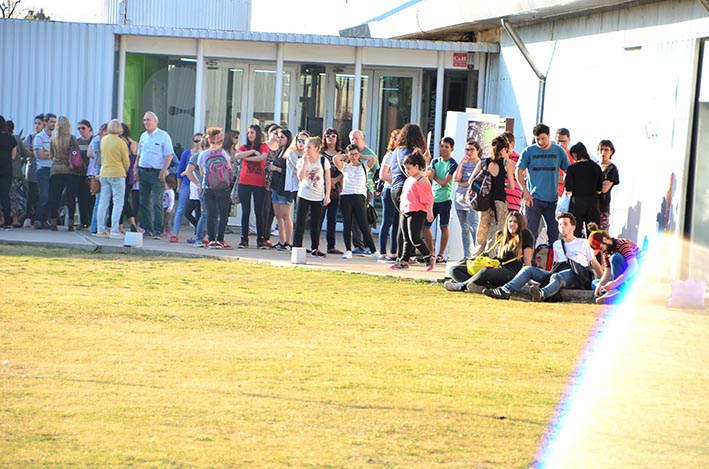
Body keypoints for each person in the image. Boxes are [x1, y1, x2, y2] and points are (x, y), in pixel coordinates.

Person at [483, 212, 602, 302]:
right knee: (528, 269)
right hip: (558, 273)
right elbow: (556, 266)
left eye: (565, 224)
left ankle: (541, 294)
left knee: (557, 276)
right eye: (560, 224)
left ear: (573, 227)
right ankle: (504, 290)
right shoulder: (556, 244)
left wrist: (604, 280)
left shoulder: (583, 243)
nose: (562, 227)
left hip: (576, 274)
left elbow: (594, 263)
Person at [445, 211, 534, 292]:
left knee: (485, 271)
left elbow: (527, 261)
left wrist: (528, 280)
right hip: (494, 265)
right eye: (510, 221)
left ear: (520, 224)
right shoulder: (502, 235)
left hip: (509, 272)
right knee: (454, 269)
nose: (512, 224)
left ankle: (462, 286)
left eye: (515, 222)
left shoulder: (525, 234)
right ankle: (479, 286)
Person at [380, 123, 428, 265]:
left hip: (394, 189)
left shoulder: (395, 151)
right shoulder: (414, 152)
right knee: (408, 227)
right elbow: (419, 173)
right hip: (407, 190)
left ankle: (403, 257)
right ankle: (405, 257)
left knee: (403, 222)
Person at [516, 123, 570, 244]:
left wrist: (568, 187)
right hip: (533, 199)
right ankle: (529, 259)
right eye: (537, 139)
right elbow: (518, 171)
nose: (540, 142)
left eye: (543, 138)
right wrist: (525, 191)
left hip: (552, 200)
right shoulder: (528, 151)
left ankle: (553, 259)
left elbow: (568, 170)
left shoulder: (558, 151)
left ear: (549, 136)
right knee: (531, 232)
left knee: (553, 232)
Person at [473, 135, 519, 255]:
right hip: (500, 201)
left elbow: (470, 181)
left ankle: (477, 254)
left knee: (482, 228)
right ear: (504, 149)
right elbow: (512, 186)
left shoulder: (484, 161)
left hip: (484, 201)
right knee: (496, 230)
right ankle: (490, 255)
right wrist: (503, 185)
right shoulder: (506, 163)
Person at [390, 148, 435, 271]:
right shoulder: (410, 179)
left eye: (409, 168)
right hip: (406, 210)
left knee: (414, 237)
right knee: (406, 238)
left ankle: (428, 256)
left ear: (416, 166)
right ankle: (403, 261)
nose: (407, 171)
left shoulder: (422, 180)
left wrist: (429, 212)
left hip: (417, 211)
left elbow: (429, 198)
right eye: (405, 168)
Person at [334, 143, 379, 259]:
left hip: (359, 196)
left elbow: (373, 159)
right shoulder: (345, 166)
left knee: (363, 224)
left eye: (355, 154)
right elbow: (335, 159)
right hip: (346, 196)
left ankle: (373, 250)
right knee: (347, 224)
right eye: (352, 154)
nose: (354, 156)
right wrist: (345, 157)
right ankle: (348, 249)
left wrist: (361, 156)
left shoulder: (364, 166)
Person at [136, 111, 175, 239]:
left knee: (157, 202)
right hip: (143, 171)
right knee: (143, 201)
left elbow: (169, 155)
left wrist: (163, 170)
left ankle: (158, 230)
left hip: (156, 172)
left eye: (148, 120)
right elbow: (139, 154)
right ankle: (148, 228)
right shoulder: (143, 136)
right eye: (144, 120)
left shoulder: (163, 136)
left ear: (155, 121)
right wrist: (135, 168)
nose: (146, 122)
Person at [194, 127, 232, 249]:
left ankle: (211, 240)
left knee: (210, 214)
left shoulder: (203, 154)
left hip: (208, 187)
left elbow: (201, 172)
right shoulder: (224, 153)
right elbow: (229, 169)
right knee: (223, 214)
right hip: (223, 187)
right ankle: (220, 239)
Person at [293, 136, 331, 257]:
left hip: (318, 195)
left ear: (316, 148)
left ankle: (315, 247)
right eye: (305, 147)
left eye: (309, 147)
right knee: (300, 221)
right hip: (304, 193)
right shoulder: (301, 160)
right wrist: (304, 162)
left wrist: (327, 195)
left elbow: (328, 180)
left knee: (316, 222)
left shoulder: (323, 161)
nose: (306, 149)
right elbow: (300, 176)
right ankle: (297, 247)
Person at [587, 222, 641, 304]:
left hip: (636, 276)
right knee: (595, 283)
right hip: (621, 280)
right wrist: (600, 285)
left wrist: (615, 284)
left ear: (605, 239)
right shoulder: (606, 252)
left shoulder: (622, 244)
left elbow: (634, 267)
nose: (602, 252)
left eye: (601, 248)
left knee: (615, 257)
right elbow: (607, 272)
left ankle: (618, 292)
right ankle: (615, 293)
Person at [423, 136, 458, 263]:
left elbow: (444, 182)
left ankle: (441, 254)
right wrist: (428, 165)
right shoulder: (435, 161)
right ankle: (431, 252)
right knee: (425, 226)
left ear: (452, 148)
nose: (443, 149)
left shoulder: (453, 164)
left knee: (444, 226)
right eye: (442, 146)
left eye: (446, 147)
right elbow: (429, 175)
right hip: (432, 199)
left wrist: (433, 177)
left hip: (445, 200)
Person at [234, 124, 269, 248]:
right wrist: (253, 152)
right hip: (244, 182)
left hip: (259, 183)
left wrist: (247, 158)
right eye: (249, 133)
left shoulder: (264, 146)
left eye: (252, 132)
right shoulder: (244, 147)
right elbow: (237, 156)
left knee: (259, 212)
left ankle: (261, 239)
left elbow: (262, 157)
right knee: (245, 211)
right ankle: (244, 239)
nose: (250, 135)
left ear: (258, 134)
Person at [95, 119, 130, 238]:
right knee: (118, 203)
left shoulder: (103, 140)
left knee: (103, 202)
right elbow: (126, 161)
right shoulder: (121, 143)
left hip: (104, 173)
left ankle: (101, 229)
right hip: (117, 173)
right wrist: (124, 170)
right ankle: (114, 230)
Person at [47, 116, 81, 231]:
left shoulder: (53, 139)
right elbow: (76, 154)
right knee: (71, 197)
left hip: (56, 170)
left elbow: (51, 155)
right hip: (70, 170)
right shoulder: (72, 138)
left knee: (55, 197)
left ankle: (53, 221)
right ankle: (71, 222)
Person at [349, 129, 379, 254]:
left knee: (364, 217)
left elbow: (376, 171)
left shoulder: (368, 153)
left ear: (363, 140)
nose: (354, 141)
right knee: (354, 218)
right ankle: (358, 245)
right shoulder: (349, 151)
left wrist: (376, 188)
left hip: (366, 189)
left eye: (357, 138)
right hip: (352, 189)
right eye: (352, 139)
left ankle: (367, 245)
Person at [170, 132, 203, 243]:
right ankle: (175, 233)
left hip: (199, 184)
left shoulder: (203, 154)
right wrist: (178, 185)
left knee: (199, 210)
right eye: (196, 140)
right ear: (192, 141)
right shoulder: (187, 153)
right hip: (187, 183)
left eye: (200, 140)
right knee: (181, 208)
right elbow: (180, 171)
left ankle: (198, 234)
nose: (198, 143)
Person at [565, 142, 602, 238]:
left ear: (575, 154)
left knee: (574, 232)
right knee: (594, 233)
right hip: (593, 202)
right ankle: (594, 252)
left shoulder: (572, 168)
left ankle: (574, 252)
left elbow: (569, 189)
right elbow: (599, 189)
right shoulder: (596, 167)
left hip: (577, 202)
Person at [453, 139, 481, 260]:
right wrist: (460, 164)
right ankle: (466, 255)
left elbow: (472, 183)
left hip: (472, 198)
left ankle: (476, 253)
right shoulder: (464, 163)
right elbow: (456, 179)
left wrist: (464, 183)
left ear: (477, 151)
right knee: (464, 228)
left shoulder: (479, 163)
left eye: (472, 149)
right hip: (460, 198)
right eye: (467, 149)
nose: (469, 152)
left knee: (473, 226)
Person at [267, 129, 294, 250]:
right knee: (278, 214)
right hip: (275, 186)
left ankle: (288, 241)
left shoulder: (290, 153)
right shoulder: (279, 151)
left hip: (284, 187)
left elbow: (291, 171)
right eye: (278, 137)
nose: (279, 139)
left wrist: (276, 169)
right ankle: (281, 241)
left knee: (285, 214)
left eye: (282, 137)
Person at [319, 127, 345, 254]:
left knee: (332, 219)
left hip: (336, 190)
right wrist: (328, 180)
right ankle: (315, 244)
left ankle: (331, 245)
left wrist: (336, 180)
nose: (331, 138)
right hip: (322, 189)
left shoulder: (341, 153)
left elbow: (346, 170)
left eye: (333, 135)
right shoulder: (320, 153)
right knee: (319, 217)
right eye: (328, 135)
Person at [378, 129, 400, 262]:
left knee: (397, 222)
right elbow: (383, 175)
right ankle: (381, 252)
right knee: (387, 221)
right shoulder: (390, 155)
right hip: (389, 190)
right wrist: (396, 179)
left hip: (399, 192)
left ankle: (393, 252)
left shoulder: (402, 155)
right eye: (397, 138)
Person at [33, 113, 57, 229]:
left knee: (51, 196)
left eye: (54, 122)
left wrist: (49, 154)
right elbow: (41, 155)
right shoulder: (39, 137)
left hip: (53, 170)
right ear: (45, 122)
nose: (53, 124)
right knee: (44, 195)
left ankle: (44, 219)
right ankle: (37, 218)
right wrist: (52, 154)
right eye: (51, 121)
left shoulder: (54, 138)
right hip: (43, 170)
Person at [5, 120, 30, 227]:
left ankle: (3, 218)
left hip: (5, 170)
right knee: (12, 195)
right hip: (14, 172)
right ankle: (14, 219)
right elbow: (25, 153)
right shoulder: (16, 139)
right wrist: (35, 153)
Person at [22, 114, 43, 226]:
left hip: (42, 168)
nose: (37, 125)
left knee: (41, 194)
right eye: (35, 123)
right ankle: (28, 215)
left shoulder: (45, 137)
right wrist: (37, 152)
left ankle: (39, 216)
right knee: (31, 193)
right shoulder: (30, 137)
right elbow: (27, 152)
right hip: (32, 168)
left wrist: (37, 151)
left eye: (39, 123)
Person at [119, 123, 139, 233]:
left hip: (122, 172)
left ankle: (121, 225)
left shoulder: (121, 142)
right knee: (125, 198)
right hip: (132, 173)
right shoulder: (135, 143)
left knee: (119, 200)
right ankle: (132, 222)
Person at [88, 123, 107, 234]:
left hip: (105, 169)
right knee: (100, 200)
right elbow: (97, 157)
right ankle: (96, 226)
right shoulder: (97, 141)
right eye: (105, 131)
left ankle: (100, 225)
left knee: (103, 200)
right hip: (101, 170)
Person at [75, 119, 94, 229]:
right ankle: (84, 221)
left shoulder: (93, 140)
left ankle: (92, 220)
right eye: (79, 128)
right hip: (80, 173)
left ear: (89, 128)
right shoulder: (77, 142)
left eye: (83, 128)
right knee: (81, 198)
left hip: (90, 173)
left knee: (91, 198)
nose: (81, 130)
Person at [597, 139, 620, 232]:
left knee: (602, 233)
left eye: (606, 150)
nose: (603, 152)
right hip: (590, 205)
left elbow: (604, 189)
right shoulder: (594, 166)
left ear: (611, 152)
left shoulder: (612, 169)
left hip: (602, 206)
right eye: (601, 149)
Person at [0, 115, 18, 229]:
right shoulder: (11, 138)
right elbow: (13, 156)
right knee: (5, 196)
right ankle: (7, 221)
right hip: (6, 170)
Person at [502, 131, 523, 213]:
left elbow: (521, 172)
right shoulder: (498, 159)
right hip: (500, 200)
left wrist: (507, 159)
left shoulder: (519, 158)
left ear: (512, 144)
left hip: (514, 201)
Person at [554, 127, 574, 198]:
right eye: (558, 141)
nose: (560, 144)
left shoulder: (572, 157)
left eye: (563, 141)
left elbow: (573, 179)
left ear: (569, 140)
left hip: (566, 196)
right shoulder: (549, 155)